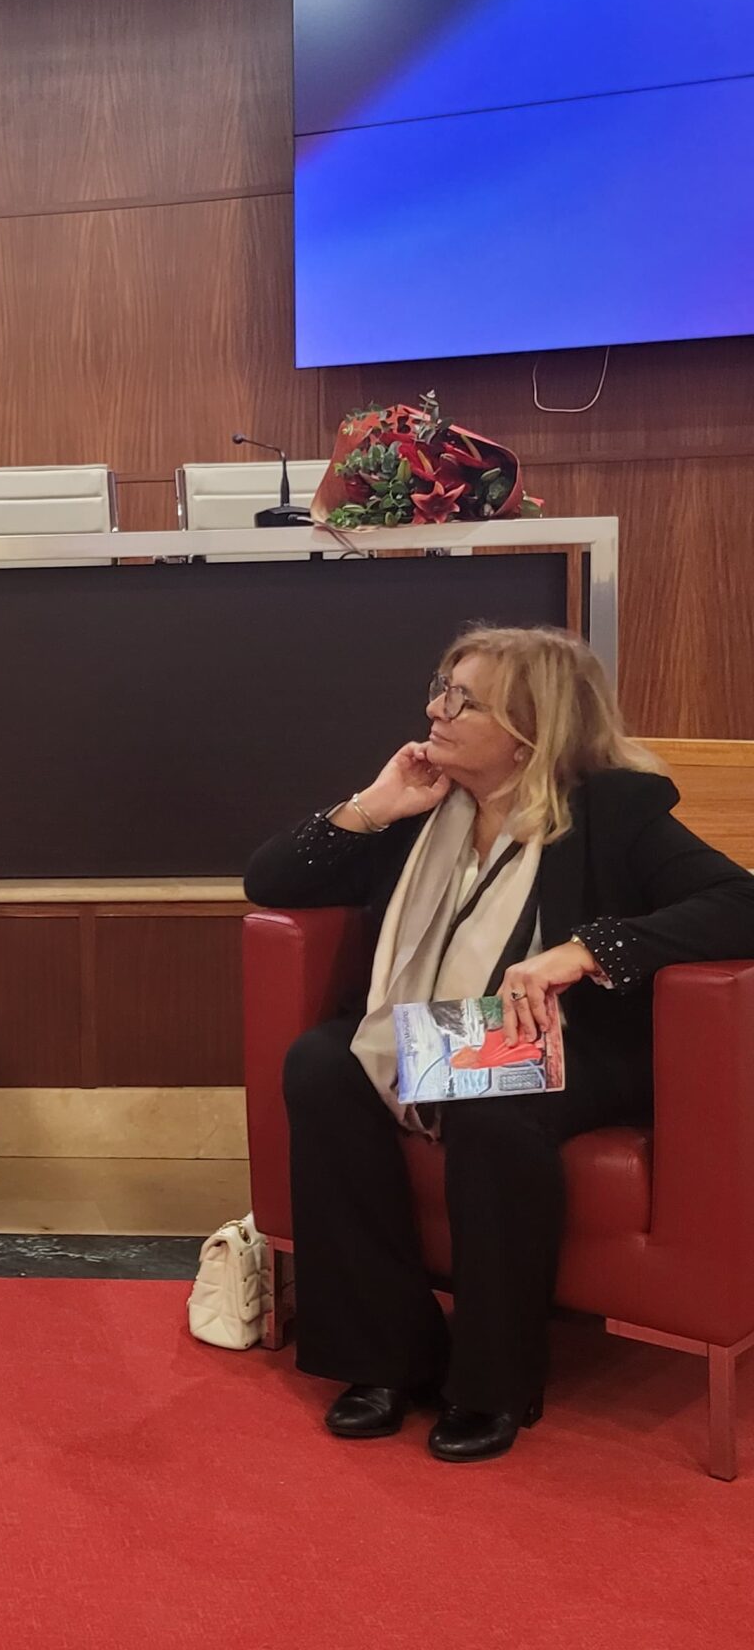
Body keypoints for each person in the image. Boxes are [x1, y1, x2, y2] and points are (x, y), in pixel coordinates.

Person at [246, 624, 754, 1461]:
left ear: (530, 730)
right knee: (322, 1063)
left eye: (463, 701)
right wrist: (373, 805)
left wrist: (587, 948)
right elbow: (269, 880)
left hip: (568, 1042)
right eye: (440, 690)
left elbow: (740, 902)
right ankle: (384, 1359)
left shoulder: (611, 812)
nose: (434, 712)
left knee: (491, 1105)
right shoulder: (423, 804)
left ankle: (493, 1381)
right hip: (437, 1031)